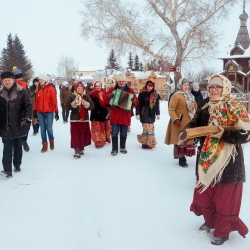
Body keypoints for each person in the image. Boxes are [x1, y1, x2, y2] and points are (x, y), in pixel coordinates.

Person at [180, 74, 250, 245]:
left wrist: (223, 134)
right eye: (211, 87)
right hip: (207, 156)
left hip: (229, 160)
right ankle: (209, 220)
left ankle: (223, 230)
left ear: (225, 88)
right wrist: (187, 132)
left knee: (225, 197)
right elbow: (195, 123)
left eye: (218, 87)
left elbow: (246, 134)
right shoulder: (204, 104)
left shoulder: (234, 105)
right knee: (206, 193)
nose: (214, 90)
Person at [0, 71, 32, 178]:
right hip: (5, 124)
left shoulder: (21, 91)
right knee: (7, 147)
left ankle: (17, 165)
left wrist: (27, 118)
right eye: (5, 80)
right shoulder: (0, 93)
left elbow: (28, 106)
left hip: (19, 123)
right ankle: (7, 170)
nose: (7, 82)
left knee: (18, 146)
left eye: (9, 80)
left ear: (13, 80)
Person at [165, 77, 197, 167]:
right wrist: (175, 119)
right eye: (184, 85)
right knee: (180, 140)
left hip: (189, 121)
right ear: (180, 86)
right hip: (179, 122)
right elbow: (171, 109)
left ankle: (185, 155)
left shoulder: (191, 96)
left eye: (187, 85)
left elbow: (195, 107)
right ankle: (181, 158)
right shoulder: (176, 95)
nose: (186, 87)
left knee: (187, 140)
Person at [105, 72, 138, 155]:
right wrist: (110, 96)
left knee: (124, 132)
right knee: (115, 132)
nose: (121, 82)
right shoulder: (113, 90)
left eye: (123, 81)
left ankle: (123, 147)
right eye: (120, 81)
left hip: (125, 115)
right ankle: (114, 149)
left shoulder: (130, 90)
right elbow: (106, 101)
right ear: (117, 81)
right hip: (115, 114)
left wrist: (133, 100)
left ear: (125, 81)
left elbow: (136, 103)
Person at [65, 82, 94, 158]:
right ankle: (76, 150)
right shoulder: (72, 97)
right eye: (78, 88)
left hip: (84, 119)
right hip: (75, 119)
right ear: (75, 89)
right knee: (75, 135)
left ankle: (81, 147)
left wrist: (87, 104)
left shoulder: (86, 97)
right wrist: (73, 103)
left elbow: (92, 106)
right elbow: (66, 106)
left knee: (83, 134)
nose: (80, 89)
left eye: (81, 88)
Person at [34, 74, 59, 153]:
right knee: (42, 129)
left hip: (49, 112)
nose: (40, 81)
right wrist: (35, 110)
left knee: (49, 128)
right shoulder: (38, 89)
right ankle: (44, 145)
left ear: (45, 80)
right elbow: (37, 101)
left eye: (41, 79)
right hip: (40, 112)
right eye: (39, 80)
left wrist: (56, 111)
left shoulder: (51, 89)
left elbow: (54, 101)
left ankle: (51, 141)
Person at [136, 80, 160, 149]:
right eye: (149, 86)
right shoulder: (142, 93)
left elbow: (157, 105)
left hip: (152, 114)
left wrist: (158, 113)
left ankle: (150, 143)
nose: (150, 88)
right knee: (146, 128)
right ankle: (145, 143)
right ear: (146, 85)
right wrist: (138, 113)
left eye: (151, 86)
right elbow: (138, 105)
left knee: (151, 129)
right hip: (144, 113)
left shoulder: (155, 94)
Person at [12, 66, 30, 152]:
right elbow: (28, 99)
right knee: (25, 127)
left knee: (12, 128)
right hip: (22, 110)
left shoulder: (9, 84)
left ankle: (13, 146)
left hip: (13, 110)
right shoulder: (24, 85)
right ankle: (24, 141)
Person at [89, 81, 111, 148]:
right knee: (97, 128)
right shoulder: (92, 94)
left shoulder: (105, 93)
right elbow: (90, 103)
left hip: (103, 112)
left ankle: (104, 139)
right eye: (97, 86)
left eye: (99, 86)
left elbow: (107, 103)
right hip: (95, 113)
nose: (98, 87)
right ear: (95, 87)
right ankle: (98, 142)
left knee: (103, 127)